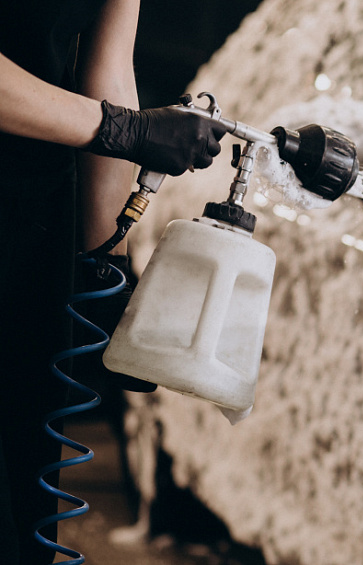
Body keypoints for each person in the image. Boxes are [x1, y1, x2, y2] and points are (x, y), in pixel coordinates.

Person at [0, 1, 226, 562]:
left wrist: (108, 267)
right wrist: (122, 129)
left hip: (33, 223)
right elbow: (112, 122)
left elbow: (108, 72)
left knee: (24, 498)